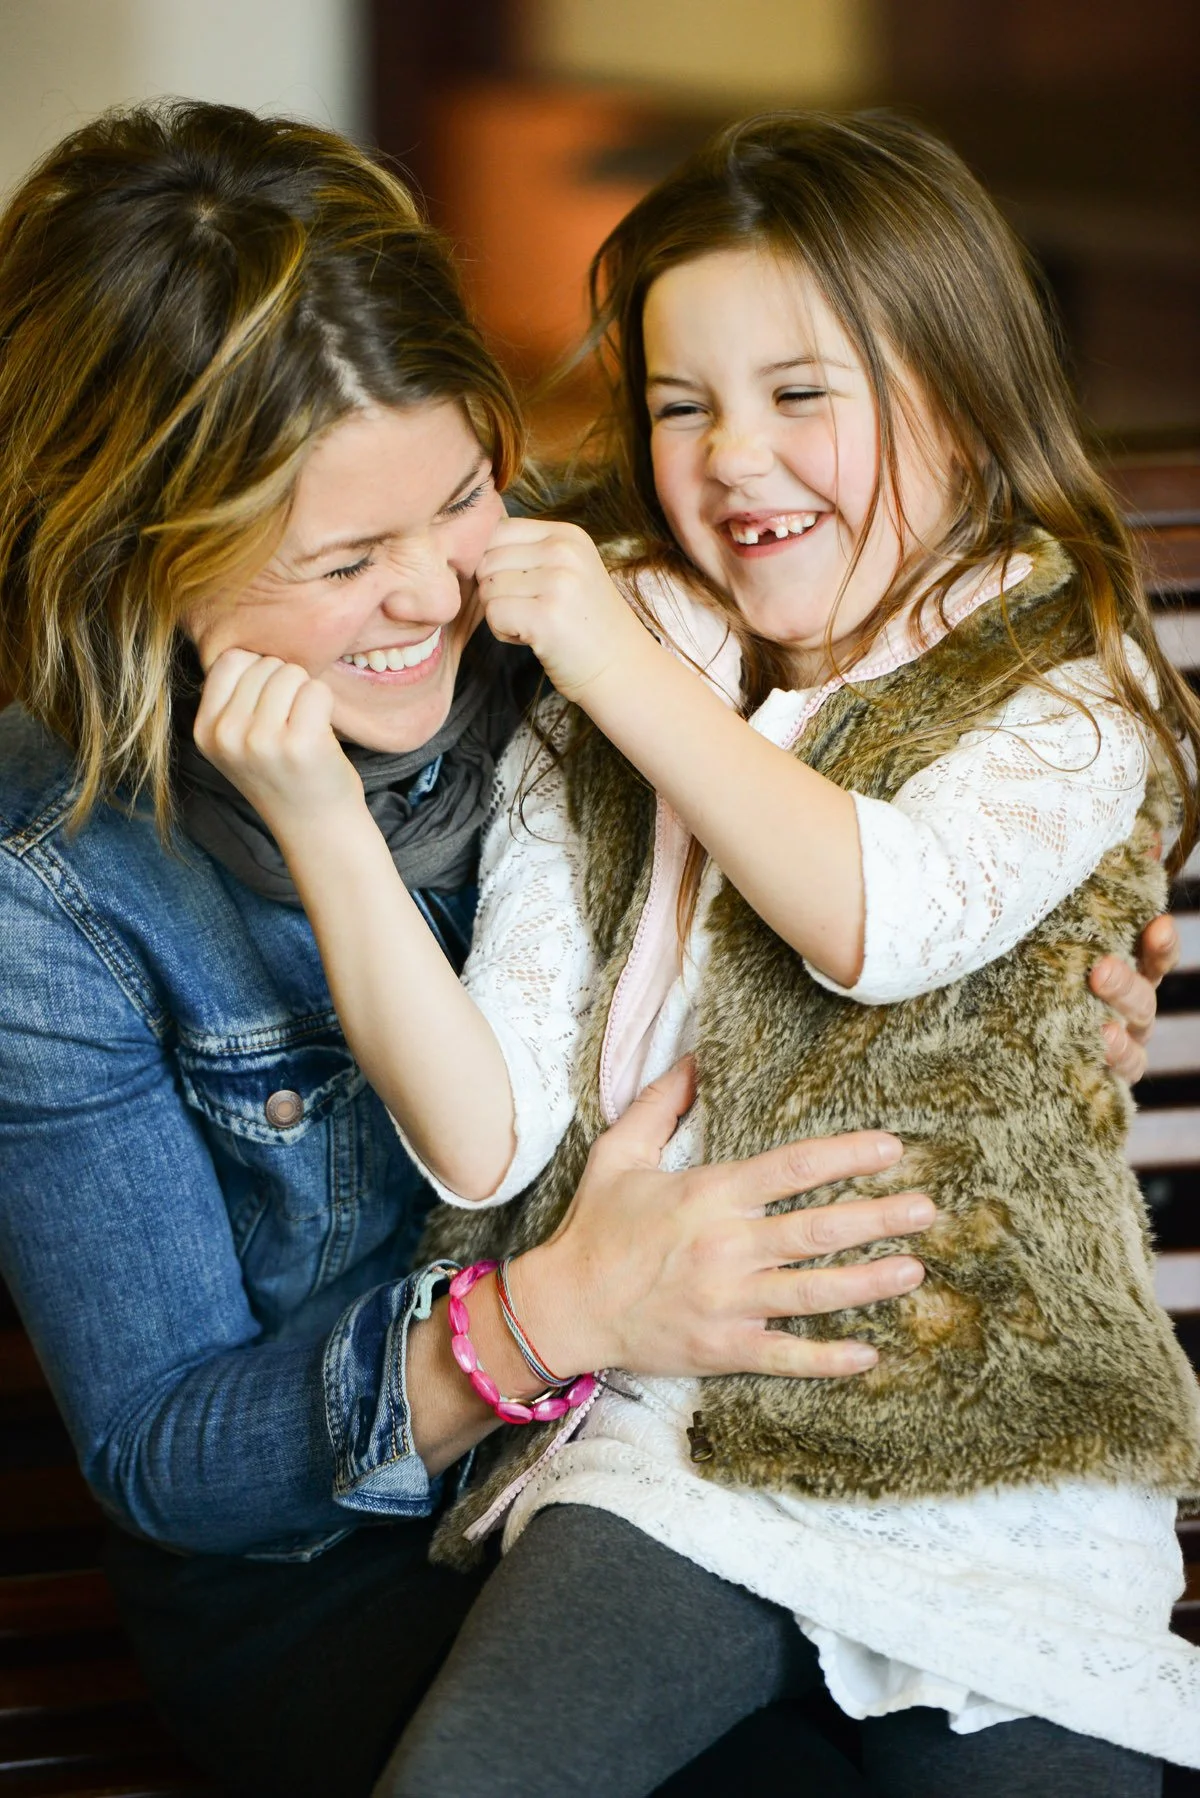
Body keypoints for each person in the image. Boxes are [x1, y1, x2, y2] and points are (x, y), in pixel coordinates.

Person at [2, 99, 1136, 1798]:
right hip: (367, 1566)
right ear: (140, 563)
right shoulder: (52, 881)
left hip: (745, 1453)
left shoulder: (605, 603)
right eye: (343, 560)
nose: (433, 595)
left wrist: (1045, 982)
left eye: (464, 494)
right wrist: (555, 1312)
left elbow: (913, 785)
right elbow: (171, 1455)